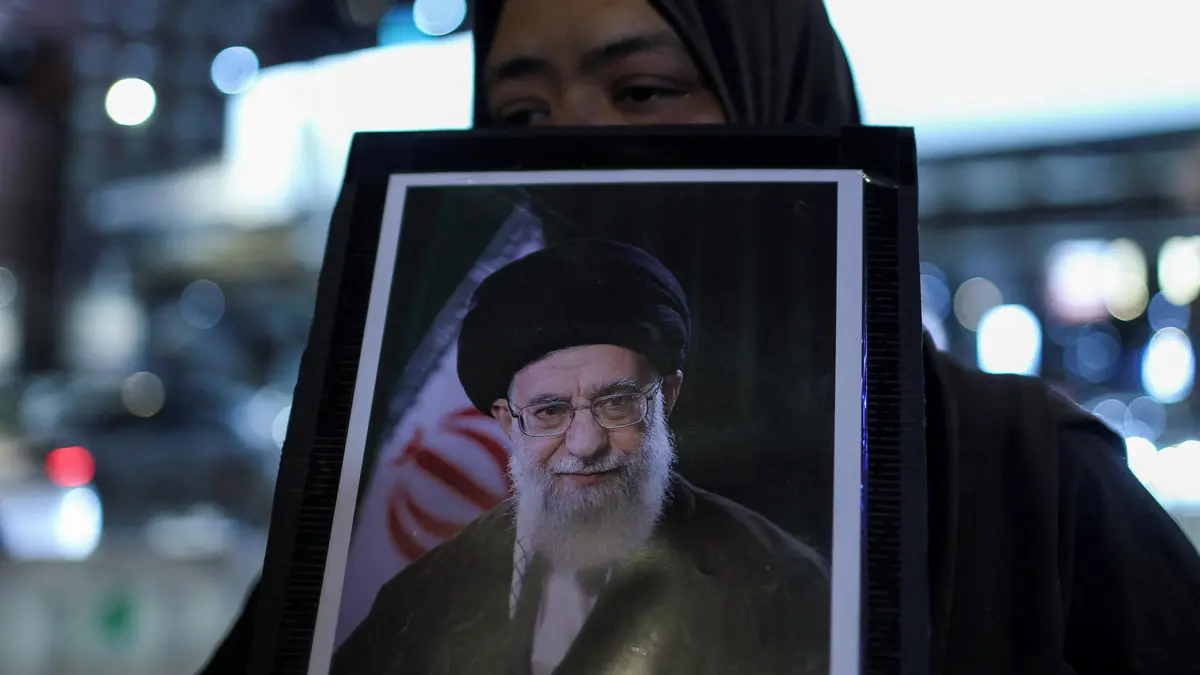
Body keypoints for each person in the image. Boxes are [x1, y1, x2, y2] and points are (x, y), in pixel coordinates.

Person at [199, 0, 1200, 673]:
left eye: (642, 91)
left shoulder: (1021, 470)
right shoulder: (408, 574)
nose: (573, 150)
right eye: (521, 113)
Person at [332, 238, 830, 674]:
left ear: (667, 397)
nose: (586, 444)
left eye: (617, 402)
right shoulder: (420, 597)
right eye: (549, 412)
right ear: (507, 421)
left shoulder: (780, 582)